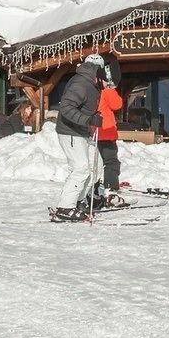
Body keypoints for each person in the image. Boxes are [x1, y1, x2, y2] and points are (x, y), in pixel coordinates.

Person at [49, 55, 106, 222]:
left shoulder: (91, 84)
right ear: (97, 69)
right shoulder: (81, 83)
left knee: (96, 166)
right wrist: (88, 119)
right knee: (80, 167)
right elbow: (66, 108)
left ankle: (78, 201)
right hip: (70, 132)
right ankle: (65, 208)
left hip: (81, 131)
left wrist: (93, 116)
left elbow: (83, 107)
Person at [95, 81, 126, 209]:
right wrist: (111, 89)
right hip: (106, 131)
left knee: (95, 163)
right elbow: (117, 104)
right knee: (111, 162)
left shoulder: (90, 90)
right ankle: (111, 191)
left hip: (94, 132)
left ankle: (95, 190)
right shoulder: (106, 91)